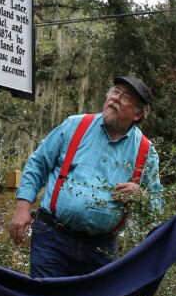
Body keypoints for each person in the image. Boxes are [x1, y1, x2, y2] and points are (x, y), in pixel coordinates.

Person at [9, 76, 163, 278]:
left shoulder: (145, 151)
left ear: (138, 113)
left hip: (101, 249)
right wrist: (22, 208)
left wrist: (140, 195)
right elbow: (38, 164)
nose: (115, 98)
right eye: (114, 91)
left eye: (125, 97)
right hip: (53, 238)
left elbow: (158, 206)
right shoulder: (75, 125)